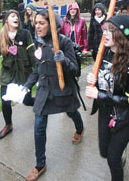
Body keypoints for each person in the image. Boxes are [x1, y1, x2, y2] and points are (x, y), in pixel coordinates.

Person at [24, 10, 84, 181]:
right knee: (39, 126)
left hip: (63, 90)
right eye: (36, 23)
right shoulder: (38, 42)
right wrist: (27, 86)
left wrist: (64, 61)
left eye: (42, 23)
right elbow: (37, 68)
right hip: (44, 90)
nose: (37, 26)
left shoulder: (64, 42)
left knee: (72, 112)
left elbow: (75, 69)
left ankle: (80, 129)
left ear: (52, 25)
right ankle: (40, 164)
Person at [85, 14, 129, 181]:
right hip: (105, 112)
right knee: (104, 151)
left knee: (112, 159)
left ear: (122, 34)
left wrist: (99, 94)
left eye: (111, 31)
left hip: (124, 116)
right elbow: (103, 82)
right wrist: (94, 82)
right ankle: (119, 151)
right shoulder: (103, 53)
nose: (105, 34)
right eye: (105, 30)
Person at [0, 10, 36, 139]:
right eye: (13, 16)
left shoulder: (25, 34)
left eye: (17, 16)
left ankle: (41, 103)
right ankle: (8, 125)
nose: (16, 18)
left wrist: (38, 69)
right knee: (5, 101)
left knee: (27, 100)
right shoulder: (1, 36)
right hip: (8, 74)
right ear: (6, 20)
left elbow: (32, 52)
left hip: (24, 73)